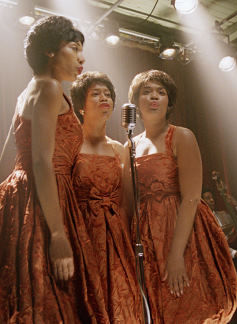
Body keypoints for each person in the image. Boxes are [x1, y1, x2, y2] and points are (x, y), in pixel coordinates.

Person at [0, 16, 107, 323]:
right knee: (45, 294)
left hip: (22, 195)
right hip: (42, 195)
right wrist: (58, 234)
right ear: (49, 51)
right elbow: (41, 161)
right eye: (74, 48)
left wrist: (3, 203)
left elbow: (8, 154)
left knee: (15, 288)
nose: (82, 57)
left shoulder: (28, 91)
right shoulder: (48, 89)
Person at [127, 69, 237, 323]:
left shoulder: (181, 136)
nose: (154, 96)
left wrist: (176, 254)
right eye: (146, 92)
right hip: (147, 234)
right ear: (135, 101)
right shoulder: (130, 145)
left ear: (169, 102)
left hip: (183, 231)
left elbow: (191, 198)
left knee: (191, 306)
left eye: (161, 92)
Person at [70, 71, 142, 322]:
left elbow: (127, 201)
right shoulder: (69, 145)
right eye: (96, 94)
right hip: (80, 233)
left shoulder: (119, 148)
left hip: (114, 236)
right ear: (80, 106)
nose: (105, 98)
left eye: (108, 94)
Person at [201, 188, 237, 259]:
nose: (212, 200)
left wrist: (236, 204)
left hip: (236, 250)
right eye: (208, 198)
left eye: (212, 197)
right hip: (220, 258)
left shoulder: (223, 214)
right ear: (201, 202)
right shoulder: (201, 222)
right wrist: (234, 253)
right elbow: (212, 243)